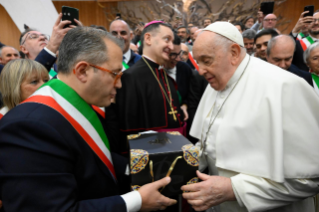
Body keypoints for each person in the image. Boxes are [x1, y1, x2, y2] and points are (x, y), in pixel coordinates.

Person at [0, 27, 177, 212]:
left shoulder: (75, 102)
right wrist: (136, 201)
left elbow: (92, 160)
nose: (119, 84)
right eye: (114, 74)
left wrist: (144, 167)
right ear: (83, 71)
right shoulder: (28, 126)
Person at [181, 21, 319, 212]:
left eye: (206, 60)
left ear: (234, 53)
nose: (200, 70)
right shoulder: (217, 81)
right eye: (198, 61)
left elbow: (309, 179)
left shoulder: (285, 87)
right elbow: (209, 143)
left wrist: (234, 189)